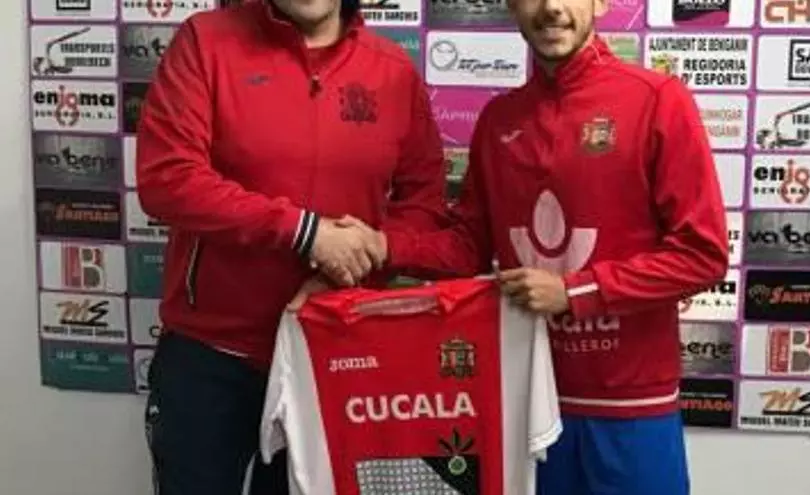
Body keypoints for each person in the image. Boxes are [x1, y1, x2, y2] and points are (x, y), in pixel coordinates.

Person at [302, 0, 731, 492]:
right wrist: (382, 246)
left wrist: (574, 292)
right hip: (525, 404)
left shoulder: (656, 99)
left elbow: (703, 255)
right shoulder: (499, 119)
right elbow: (466, 248)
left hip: (630, 408)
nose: (551, 8)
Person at [134, 0, 448, 492]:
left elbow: (424, 206)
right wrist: (307, 233)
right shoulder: (206, 41)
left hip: (332, 349)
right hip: (211, 355)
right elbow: (168, 179)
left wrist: (345, 275)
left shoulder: (392, 69)